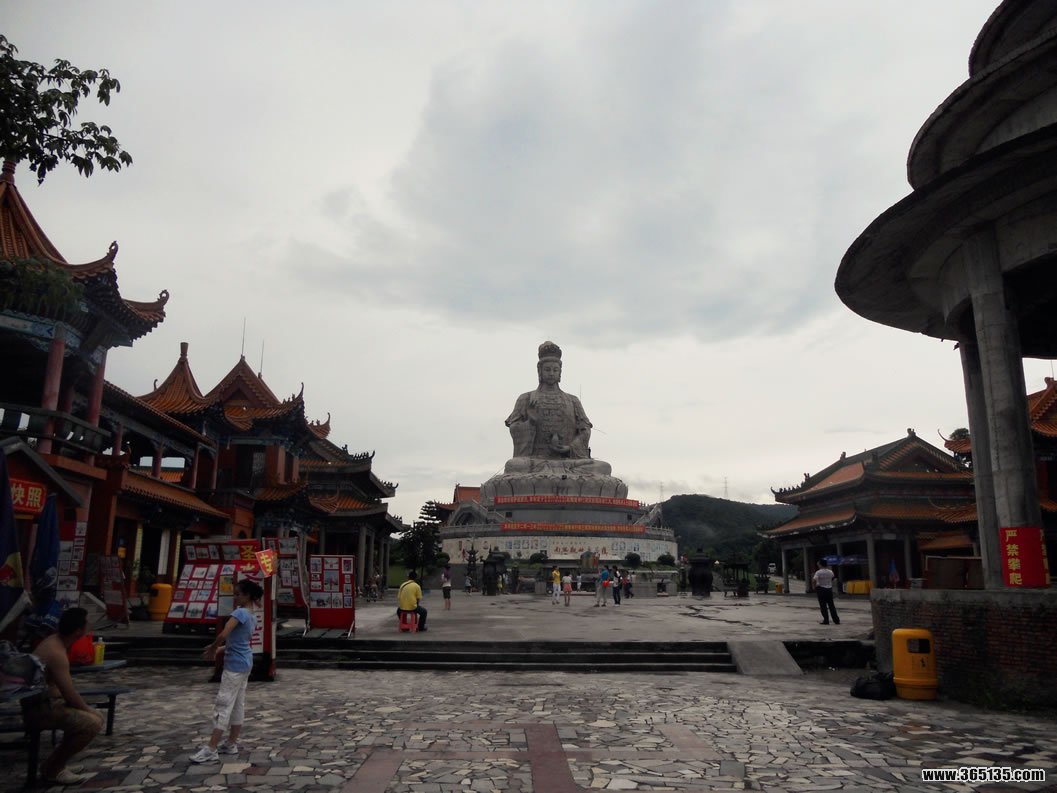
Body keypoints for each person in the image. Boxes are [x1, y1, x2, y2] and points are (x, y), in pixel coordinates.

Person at [24, 607, 105, 785]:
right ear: (79, 630)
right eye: (86, 624)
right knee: (92, 723)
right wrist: (89, 710)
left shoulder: (56, 642)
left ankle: (55, 763)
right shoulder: (56, 652)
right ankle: (54, 769)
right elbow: (69, 693)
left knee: (90, 718)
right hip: (41, 708)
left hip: (47, 701)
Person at [191, 578, 264, 763]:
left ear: (247, 595)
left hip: (234, 665)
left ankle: (211, 748)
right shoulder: (252, 615)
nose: (235, 597)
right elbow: (239, 641)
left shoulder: (239, 613)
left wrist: (214, 647)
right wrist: (220, 649)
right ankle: (231, 742)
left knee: (223, 704)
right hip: (245, 662)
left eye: (238, 594)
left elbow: (224, 634)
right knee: (238, 704)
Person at [812, 559, 840, 625]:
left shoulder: (818, 572)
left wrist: (814, 587)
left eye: (818, 564)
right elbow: (833, 578)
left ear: (820, 564)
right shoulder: (830, 572)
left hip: (821, 589)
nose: (818, 565)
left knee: (823, 606)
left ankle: (826, 620)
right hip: (829, 589)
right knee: (831, 605)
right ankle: (836, 620)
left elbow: (813, 580)